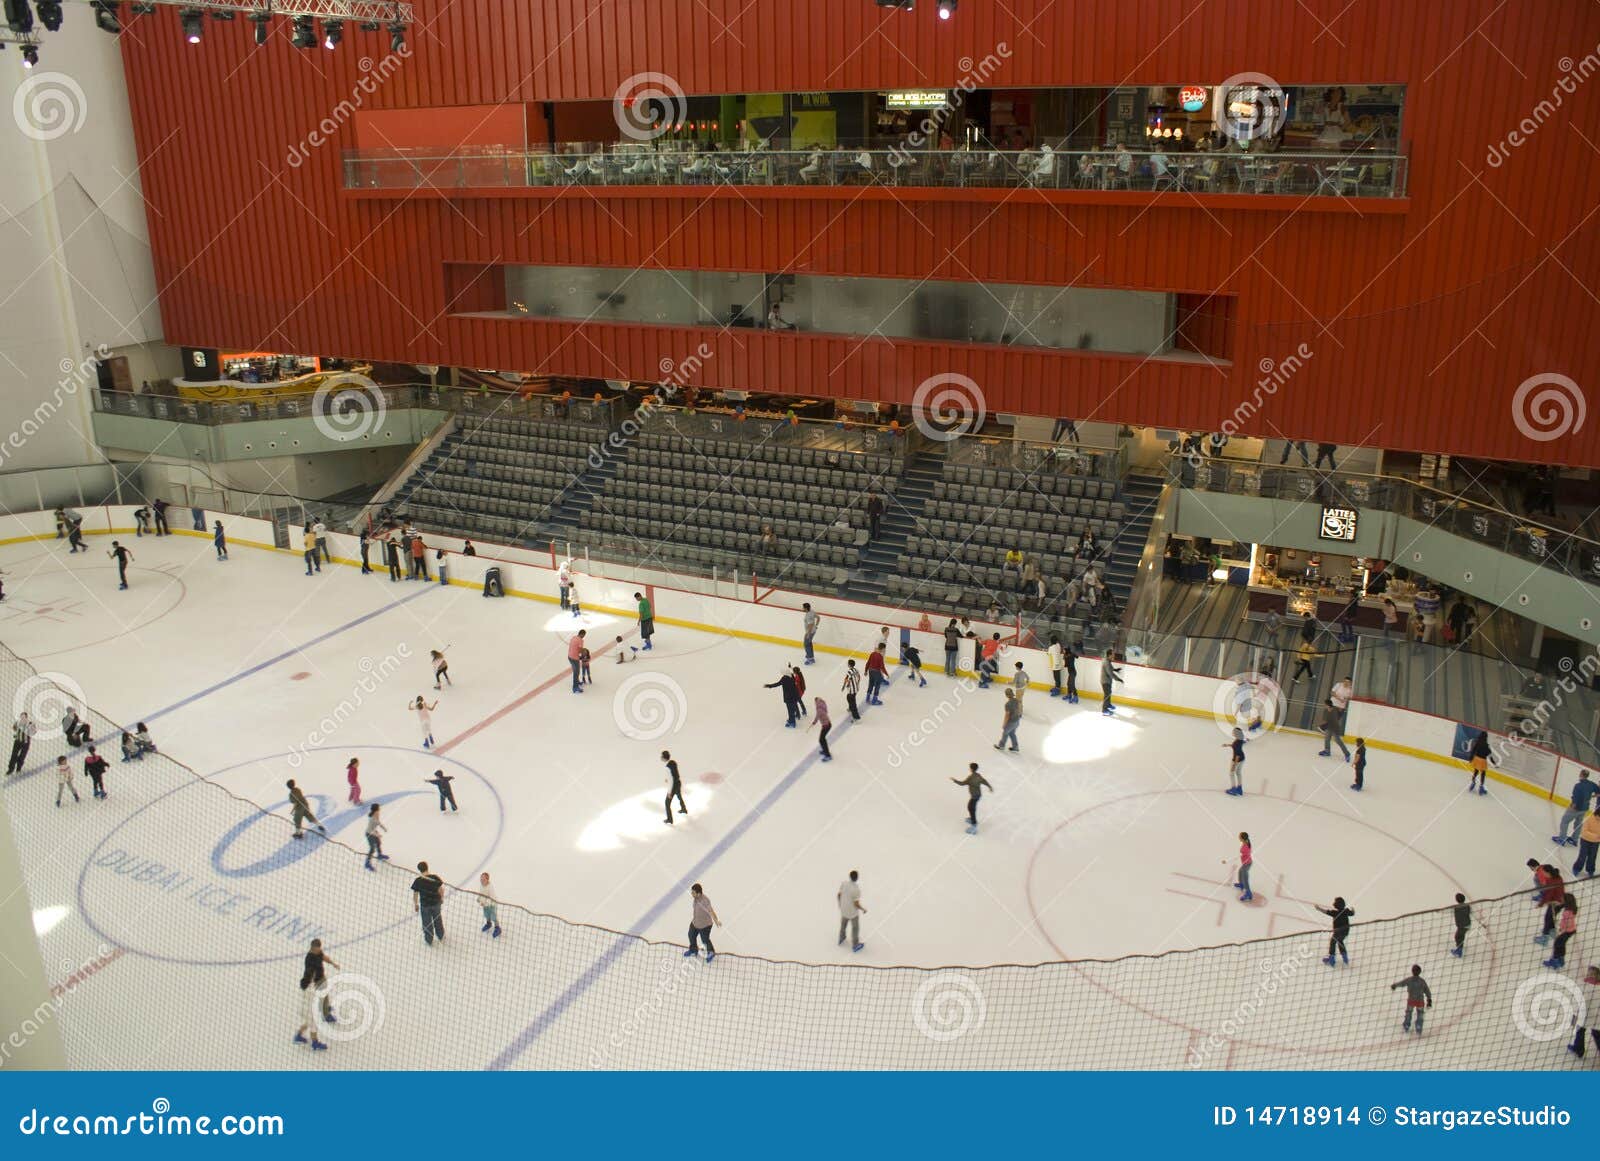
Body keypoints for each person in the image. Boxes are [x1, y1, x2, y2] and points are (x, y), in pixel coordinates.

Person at [1556, 770, 1596, 846]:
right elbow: (1598, 791)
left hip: (1576, 808)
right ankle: (1574, 839)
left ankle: (1562, 839)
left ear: (1581, 774)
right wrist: (1592, 796)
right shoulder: (1591, 784)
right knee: (1578, 823)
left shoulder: (1578, 786)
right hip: (1585, 808)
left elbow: (1575, 798)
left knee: (1565, 821)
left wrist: (1572, 807)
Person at [1389, 965, 1432, 1035]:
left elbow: (1402, 983)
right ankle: (1418, 1026)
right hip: (1419, 1001)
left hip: (1412, 1001)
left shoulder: (1410, 980)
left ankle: (1407, 1024)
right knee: (1419, 1014)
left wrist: (1395, 985)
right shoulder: (1421, 981)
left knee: (1409, 1013)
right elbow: (1427, 991)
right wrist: (1429, 999)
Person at [951, 762, 993, 835]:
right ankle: (972, 819)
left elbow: (962, 783)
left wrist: (954, 780)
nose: (969, 768)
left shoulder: (970, 778)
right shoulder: (978, 775)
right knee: (971, 807)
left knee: (971, 808)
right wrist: (989, 786)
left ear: (971, 769)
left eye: (970, 767)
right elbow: (984, 781)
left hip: (974, 796)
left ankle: (974, 825)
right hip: (978, 795)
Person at [682, 883, 719, 962]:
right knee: (691, 935)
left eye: (693, 892)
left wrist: (716, 921)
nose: (691, 894)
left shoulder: (705, 901)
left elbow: (711, 911)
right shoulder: (695, 898)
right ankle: (693, 950)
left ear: (698, 894)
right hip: (695, 923)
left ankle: (711, 952)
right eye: (692, 892)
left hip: (705, 925)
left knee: (705, 940)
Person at [412, 860, 446, 947]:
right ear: (427, 867)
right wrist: (441, 898)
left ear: (419, 870)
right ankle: (441, 935)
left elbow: (415, 894)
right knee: (438, 920)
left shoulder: (418, 881)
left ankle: (429, 940)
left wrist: (416, 904)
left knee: (427, 923)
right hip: (436, 904)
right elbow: (441, 890)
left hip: (425, 905)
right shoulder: (435, 878)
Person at [1545, 895, 1579, 969]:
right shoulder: (1571, 908)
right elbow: (1560, 905)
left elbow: (1568, 923)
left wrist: (1562, 930)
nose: (1561, 900)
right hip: (1570, 930)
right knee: (1561, 945)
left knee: (1557, 944)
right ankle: (1561, 960)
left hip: (1567, 931)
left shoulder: (1567, 912)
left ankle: (1555, 961)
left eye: (1563, 899)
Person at [1535, 865, 1565, 945]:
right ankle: (1552, 931)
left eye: (1544, 872)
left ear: (1548, 872)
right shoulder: (1558, 877)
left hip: (1555, 903)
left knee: (1547, 918)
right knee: (1551, 917)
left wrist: (1540, 904)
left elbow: (1548, 894)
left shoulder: (1551, 881)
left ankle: (1544, 939)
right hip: (1561, 901)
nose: (1543, 874)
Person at [1319, 896, 1354, 965]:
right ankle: (1345, 958)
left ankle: (1331, 960)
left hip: (1338, 931)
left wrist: (1318, 908)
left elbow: (1326, 912)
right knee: (1340, 941)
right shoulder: (1346, 911)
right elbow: (1352, 913)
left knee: (1333, 943)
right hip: (1346, 931)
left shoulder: (1334, 913)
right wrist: (1353, 909)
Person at [837, 870, 865, 952]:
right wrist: (863, 909)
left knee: (843, 924)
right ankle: (855, 945)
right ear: (857, 878)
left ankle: (841, 938)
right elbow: (856, 904)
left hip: (843, 909)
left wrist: (840, 904)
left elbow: (839, 895)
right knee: (855, 928)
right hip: (852, 912)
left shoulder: (844, 883)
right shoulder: (856, 889)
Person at [662, 750, 689, 824]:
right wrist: (668, 778)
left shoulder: (667, 768)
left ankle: (669, 819)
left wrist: (669, 792)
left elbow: (671, 781)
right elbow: (674, 773)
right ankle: (684, 809)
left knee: (667, 803)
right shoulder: (673, 762)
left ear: (664, 758)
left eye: (662, 756)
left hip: (673, 786)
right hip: (678, 783)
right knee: (679, 796)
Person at [1574, 807, 1600, 878]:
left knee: (1592, 857)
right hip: (1585, 840)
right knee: (1583, 855)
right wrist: (1595, 836)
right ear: (1597, 814)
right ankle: (1577, 868)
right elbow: (1584, 832)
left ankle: (1590, 870)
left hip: (1596, 842)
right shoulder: (1589, 819)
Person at [994, 689, 1022, 753]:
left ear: (1006, 695)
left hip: (1011, 722)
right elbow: (1019, 709)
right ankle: (1015, 747)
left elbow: (1007, 715)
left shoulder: (1008, 704)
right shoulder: (1016, 700)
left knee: (1005, 733)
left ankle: (1001, 746)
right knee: (1012, 733)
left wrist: (1004, 724)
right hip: (1017, 721)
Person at [7, 711, 33, 775]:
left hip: (25, 742)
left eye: (24, 717)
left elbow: (34, 731)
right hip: (17, 741)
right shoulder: (18, 722)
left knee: (22, 756)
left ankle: (18, 768)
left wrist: (29, 730)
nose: (23, 718)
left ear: (26, 717)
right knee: (14, 755)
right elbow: (14, 728)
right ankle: (11, 769)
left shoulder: (30, 723)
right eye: (22, 716)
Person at [1222, 728, 1247, 796]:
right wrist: (1227, 745)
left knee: (1231, 773)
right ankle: (1239, 789)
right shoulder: (1240, 739)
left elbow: (1237, 754)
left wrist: (1234, 765)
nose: (1232, 732)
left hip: (1237, 759)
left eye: (1233, 731)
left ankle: (1233, 789)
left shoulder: (1237, 742)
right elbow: (1235, 746)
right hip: (1242, 758)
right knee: (1238, 773)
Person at [1466, 730, 1491, 796]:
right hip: (1483, 760)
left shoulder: (1477, 742)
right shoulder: (1486, 745)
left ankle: (1473, 783)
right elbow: (1489, 754)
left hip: (1477, 759)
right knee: (1483, 773)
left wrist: (1470, 758)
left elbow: (1473, 751)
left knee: (1476, 771)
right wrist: (1494, 763)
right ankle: (1481, 787)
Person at [363, 803, 387, 871]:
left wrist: (383, 828)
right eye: (379, 808)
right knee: (372, 849)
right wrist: (377, 835)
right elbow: (370, 830)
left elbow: (378, 822)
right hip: (369, 834)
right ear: (376, 810)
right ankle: (367, 863)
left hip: (374, 832)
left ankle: (379, 855)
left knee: (378, 843)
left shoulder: (376, 815)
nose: (380, 809)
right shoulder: (372, 819)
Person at [478, 871, 502, 938]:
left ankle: (497, 927)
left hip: (491, 905)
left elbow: (492, 898)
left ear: (487, 880)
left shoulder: (490, 887)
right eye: (481, 879)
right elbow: (481, 892)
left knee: (493, 916)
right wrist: (479, 898)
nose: (482, 880)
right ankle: (488, 923)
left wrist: (485, 903)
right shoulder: (482, 885)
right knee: (487, 915)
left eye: (483, 879)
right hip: (485, 904)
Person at [812, 697, 833, 762]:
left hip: (826, 725)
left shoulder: (819, 709)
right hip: (827, 724)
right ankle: (825, 751)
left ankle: (828, 755)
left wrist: (814, 722)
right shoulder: (822, 705)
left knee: (821, 740)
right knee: (822, 739)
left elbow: (817, 716)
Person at [1451, 893, 1472, 957]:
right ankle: (1460, 948)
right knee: (1460, 936)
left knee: (1458, 937)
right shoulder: (1468, 906)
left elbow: (1446, 911)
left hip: (1462, 926)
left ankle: (1459, 951)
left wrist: (1439, 911)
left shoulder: (1456, 907)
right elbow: (1474, 914)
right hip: (1467, 925)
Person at [1236, 832, 1254, 901]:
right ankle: (1241, 884)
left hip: (1247, 864)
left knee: (1245, 878)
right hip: (1245, 863)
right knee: (1240, 872)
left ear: (1242, 838)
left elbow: (1242, 854)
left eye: (1239, 836)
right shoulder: (1246, 842)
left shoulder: (1245, 847)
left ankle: (1248, 893)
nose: (1238, 837)